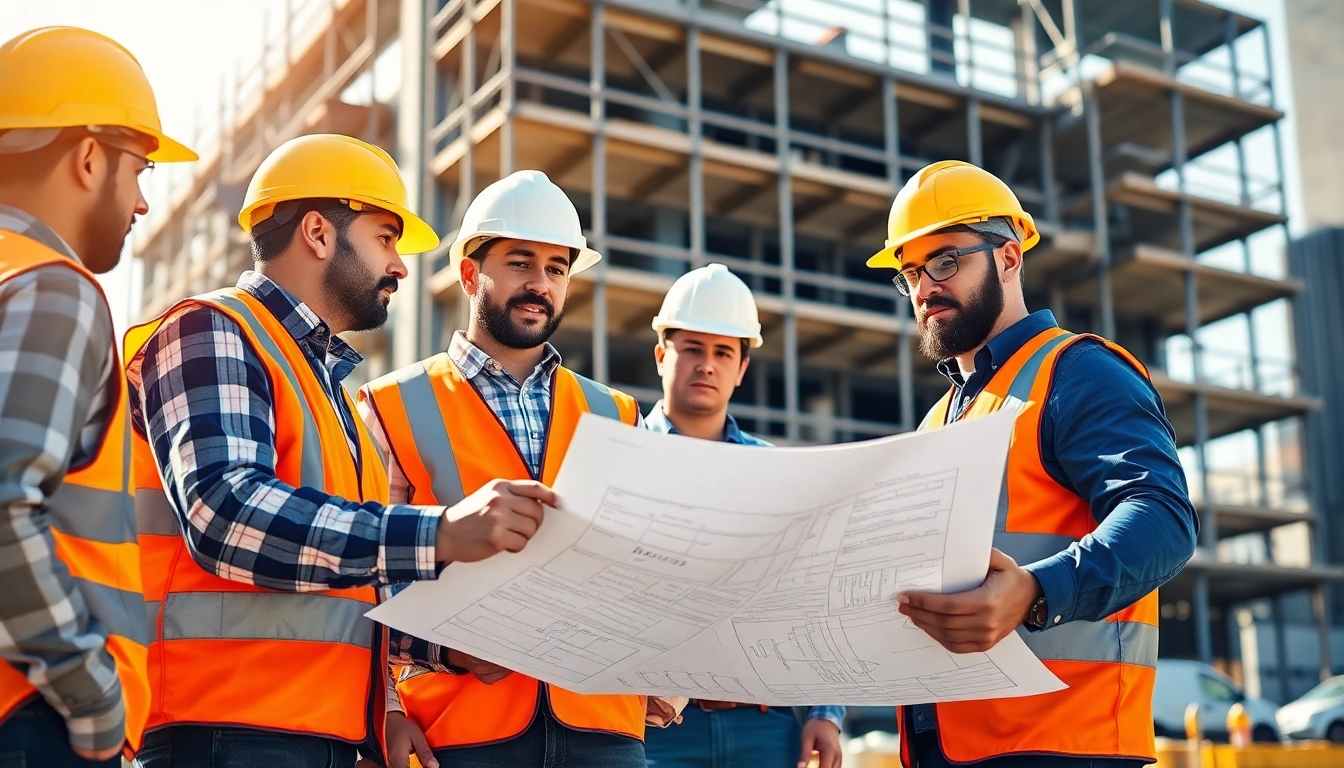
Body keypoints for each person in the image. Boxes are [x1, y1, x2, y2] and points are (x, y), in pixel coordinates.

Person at [125, 135, 548, 768]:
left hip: (318, 738)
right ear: (319, 233)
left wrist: (441, 656)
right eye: (385, 238)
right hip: (222, 731)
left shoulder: (332, 397)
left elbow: (341, 590)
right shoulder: (210, 329)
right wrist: (442, 533)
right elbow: (226, 514)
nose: (400, 266)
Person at [865, 160, 1198, 767]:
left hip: (1061, 743)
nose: (925, 288)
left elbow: (1164, 519)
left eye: (946, 261)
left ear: (1010, 258)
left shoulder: (1078, 371)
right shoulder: (940, 418)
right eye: (910, 272)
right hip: (947, 745)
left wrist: (1037, 591)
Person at [359, 170, 655, 768]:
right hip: (459, 731)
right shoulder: (391, 407)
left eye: (555, 269)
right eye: (520, 263)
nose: (538, 284)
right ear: (470, 274)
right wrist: (387, 709)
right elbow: (364, 573)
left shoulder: (617, 412)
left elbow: (646, 567)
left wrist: (666, 686)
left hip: (604, 727)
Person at [0, 26, 197, 767]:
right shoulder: (50, 287)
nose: (143, 203)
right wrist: (92, 701)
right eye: (139, 171)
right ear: (88, 158)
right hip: (32, 714)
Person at [642, 263, 845, 768]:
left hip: (765, 725)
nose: (706, 365)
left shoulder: (775, 472)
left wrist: (825, 711)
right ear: (662, 354)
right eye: (692, 348)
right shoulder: (622, 458)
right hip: (651, 728)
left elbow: (810, 595)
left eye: (722, 352)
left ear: (741, 368)